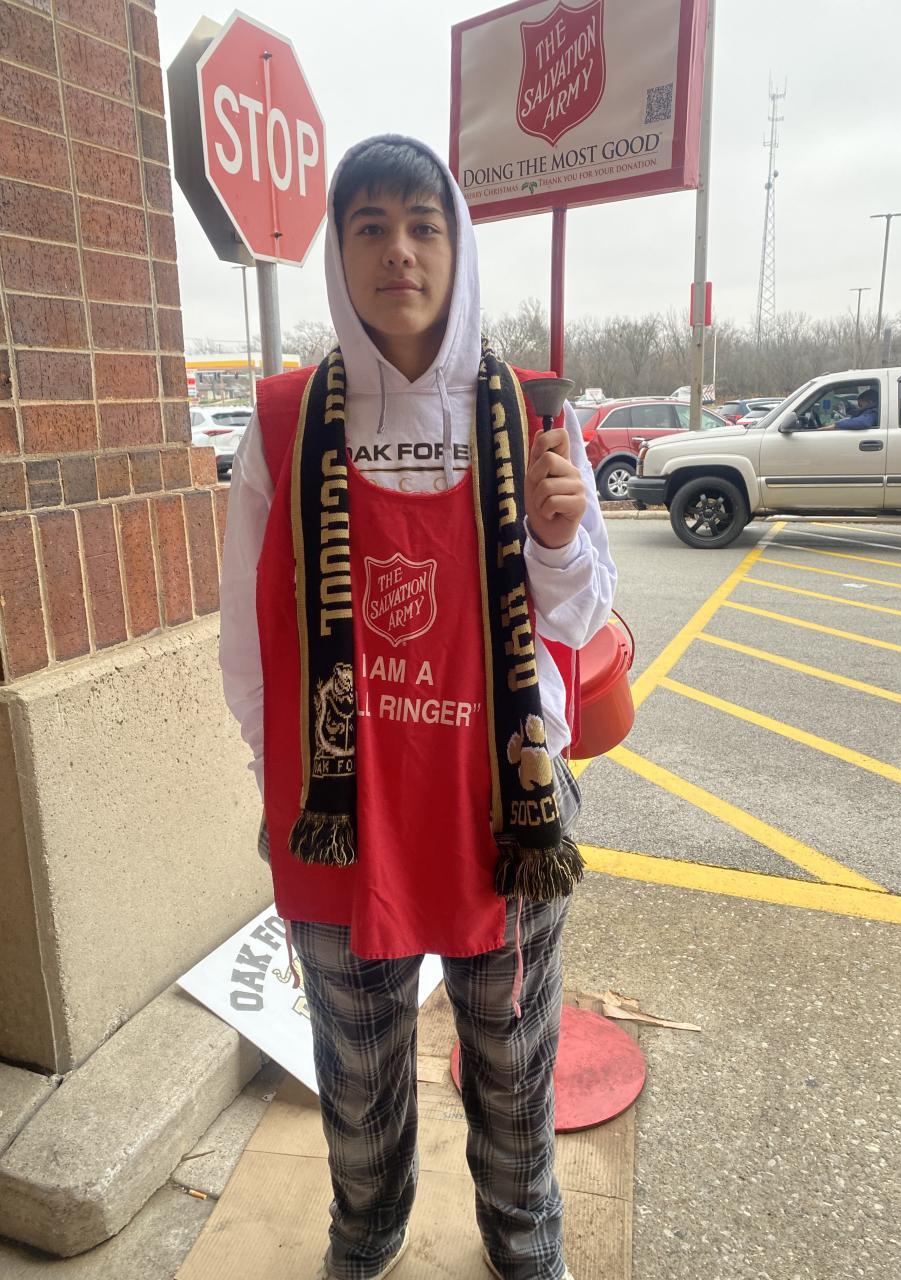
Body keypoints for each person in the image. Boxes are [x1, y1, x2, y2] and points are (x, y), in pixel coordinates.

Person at [219, 135, 616, 1280]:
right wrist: (286, 782)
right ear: (340, 254)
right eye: (371, 225)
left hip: (503, 807)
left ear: (457, 245)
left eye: (423, 224)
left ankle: (525, 1239)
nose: (399, 249)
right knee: (356, 1068)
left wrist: (557, 536)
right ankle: (367, 1228)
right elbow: (248, 631)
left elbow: (583, 613)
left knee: (515, 1064)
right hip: (343, 812)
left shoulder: (529, 413)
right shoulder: (285, 423)